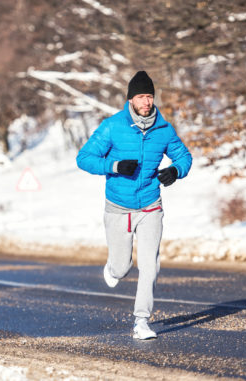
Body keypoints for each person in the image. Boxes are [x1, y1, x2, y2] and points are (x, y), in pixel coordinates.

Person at [76, 70, 192, 340]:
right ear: (130, 99)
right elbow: (84, 158)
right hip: (118, 206)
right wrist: (114, 166)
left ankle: (142, 321)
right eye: (141, 96)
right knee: (122, 267)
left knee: (150, 264)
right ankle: (114, 267)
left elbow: (184, 155)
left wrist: (176, 171)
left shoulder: (163, 128)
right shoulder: (113, 126)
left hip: (150, 204)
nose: (146, 101)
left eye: (150, 96)